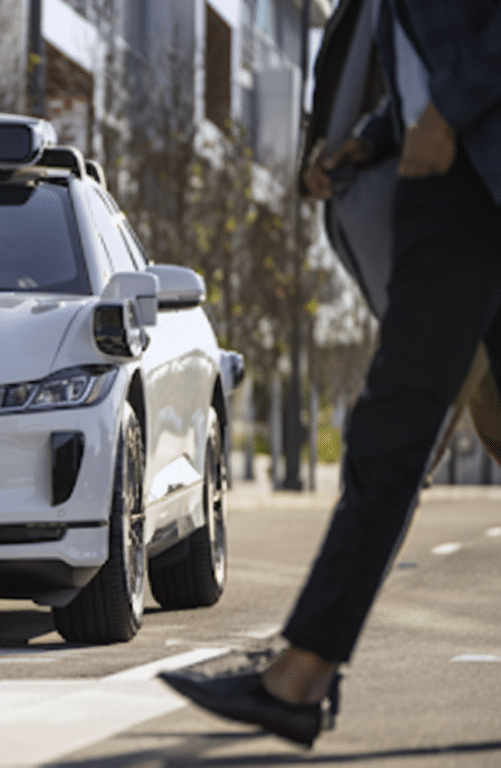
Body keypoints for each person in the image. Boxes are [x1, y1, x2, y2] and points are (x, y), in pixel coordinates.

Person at [160, 0, 501, 748]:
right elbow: (428, 68)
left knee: (396, 426)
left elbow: (456, 69)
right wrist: (361, 144)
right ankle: (303, 672)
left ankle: (300, 674)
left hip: (467, 190)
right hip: (455, 176)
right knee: (424, 424)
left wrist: (447, 113)